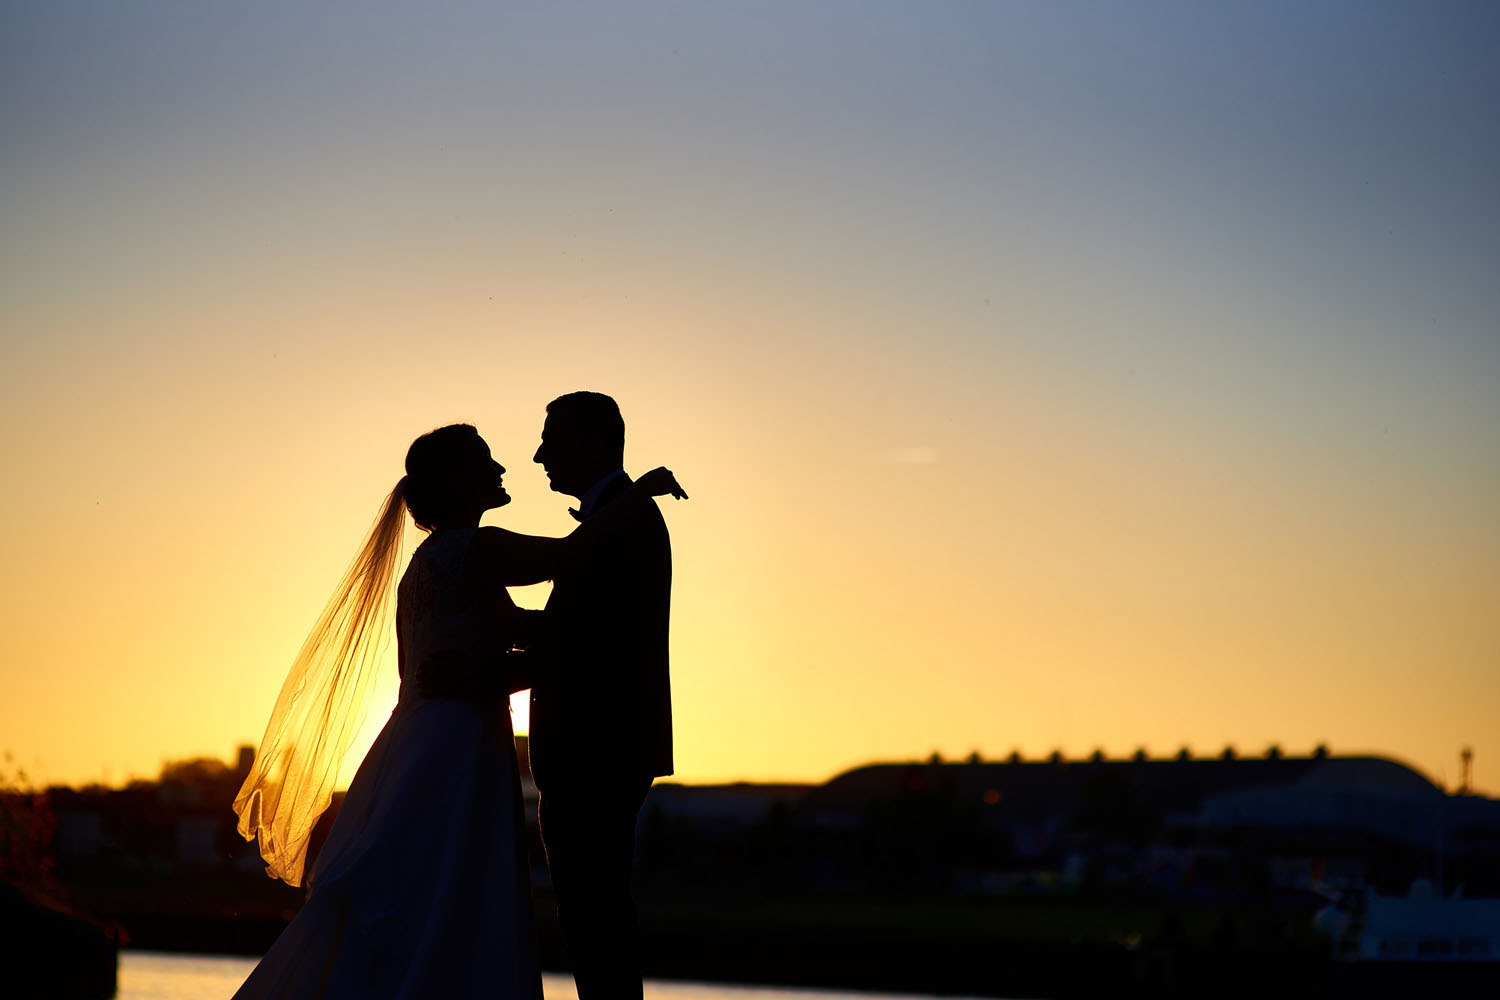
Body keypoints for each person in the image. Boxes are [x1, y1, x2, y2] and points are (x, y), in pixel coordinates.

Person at [230, 423, 684, 1000]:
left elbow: (514, 639)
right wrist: (639, 493)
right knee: (456, 882)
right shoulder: (481, 547)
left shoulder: (422, 568)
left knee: (416, 882)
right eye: (485, 463)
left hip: (415, 739)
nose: (501, 470)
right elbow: (572, 556)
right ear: (457, 481)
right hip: (460, 743)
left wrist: (504, 668)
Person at [528, 392, 675, 1000]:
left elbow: (584, 638)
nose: (538, 455)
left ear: (594, 443)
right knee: (590, 915)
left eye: (551, 439)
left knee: (594, 916)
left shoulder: (624, 519)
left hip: (596, 751)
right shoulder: (621, 513)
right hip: (599, 750)